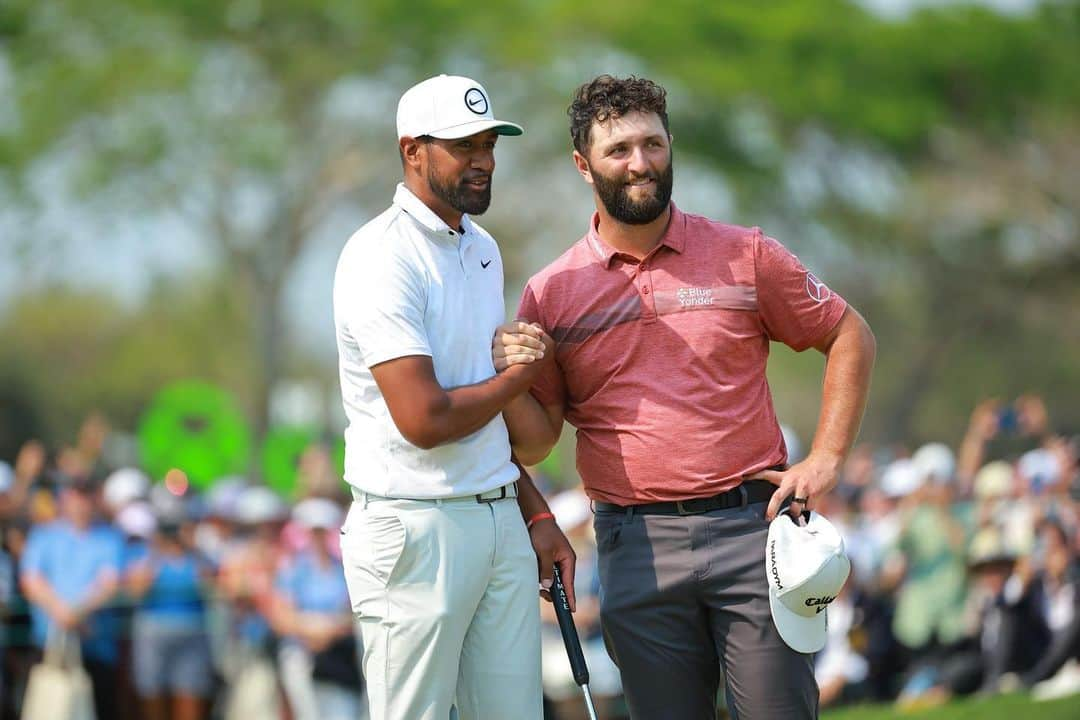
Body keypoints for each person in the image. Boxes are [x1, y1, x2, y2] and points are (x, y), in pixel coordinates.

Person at [494, 75, 876, 719]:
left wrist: (828, 456)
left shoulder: (744, 253)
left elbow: (848, 333)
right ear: (583, 166)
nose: (640, 163)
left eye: (653, 144)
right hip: (633, 545)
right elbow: (536, 439)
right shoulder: (552, 292)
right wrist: (504, 378)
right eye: (619, 150)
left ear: (672, 147)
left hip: (753, 532)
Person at [332, 73, 575, 720]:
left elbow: (485, 412)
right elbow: (425, 419)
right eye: (463, 146)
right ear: (413, 151)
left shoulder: (482, 247)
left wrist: (536, 512)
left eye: (490, 143)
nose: (485, 160)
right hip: (413, 527)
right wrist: (519, 380)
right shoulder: (380, 257)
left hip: (496, 516)